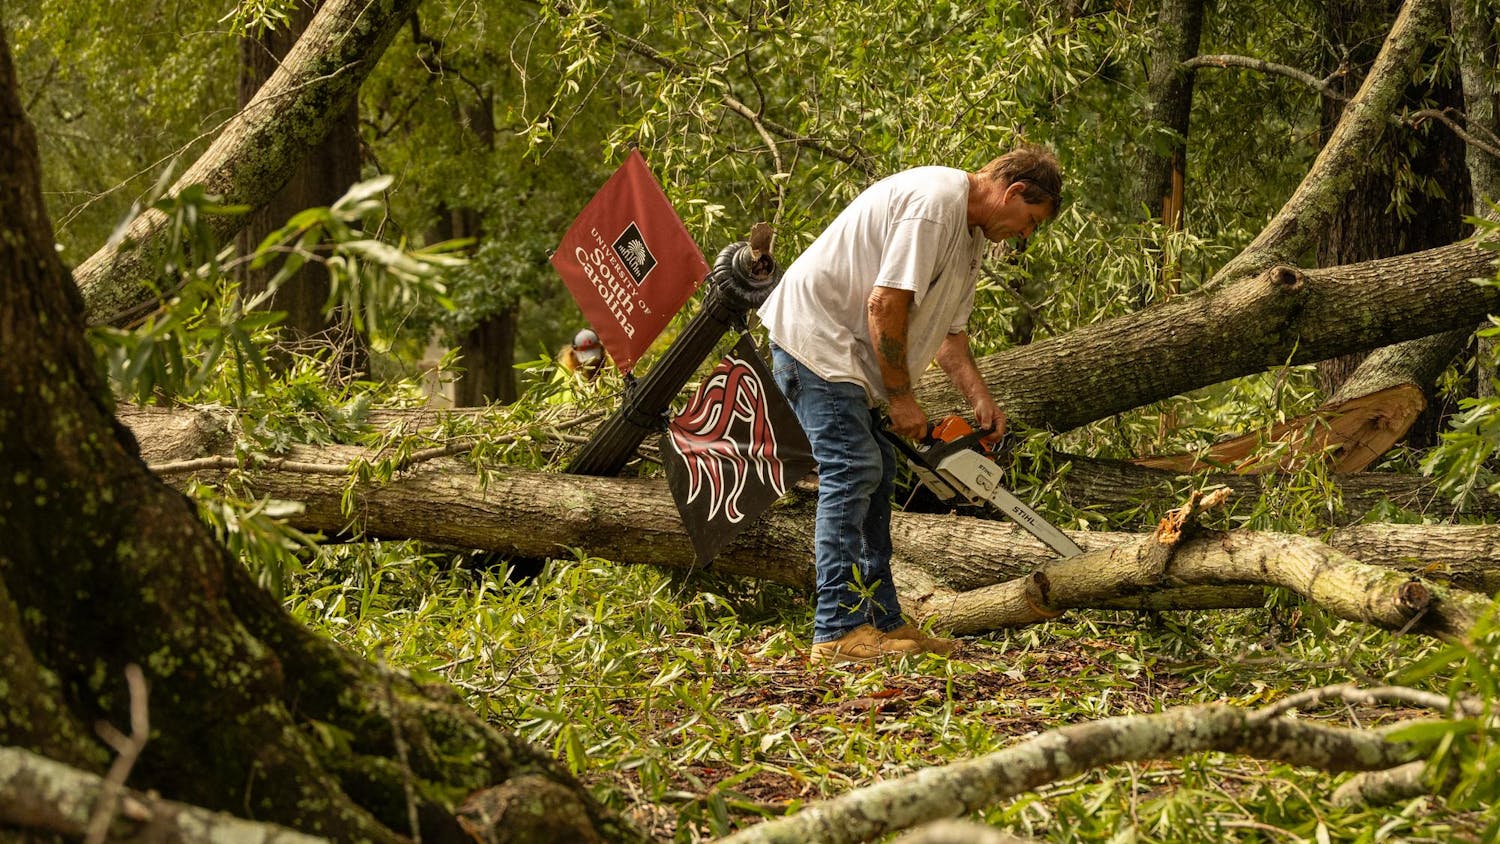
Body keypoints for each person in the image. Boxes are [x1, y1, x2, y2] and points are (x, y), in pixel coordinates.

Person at [758, 145, 1062, 664]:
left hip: (845, 357)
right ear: (1012, 192)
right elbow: (885, 302)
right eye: (1030, 220)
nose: (1025, 234)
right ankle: (835, 632)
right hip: (817, 342)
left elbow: (951, 336)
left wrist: (981, 401)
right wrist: (901, 396)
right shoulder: (935, 202)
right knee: (853, 468)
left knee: (882, 466)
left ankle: (883, 619)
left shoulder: (970, 237)